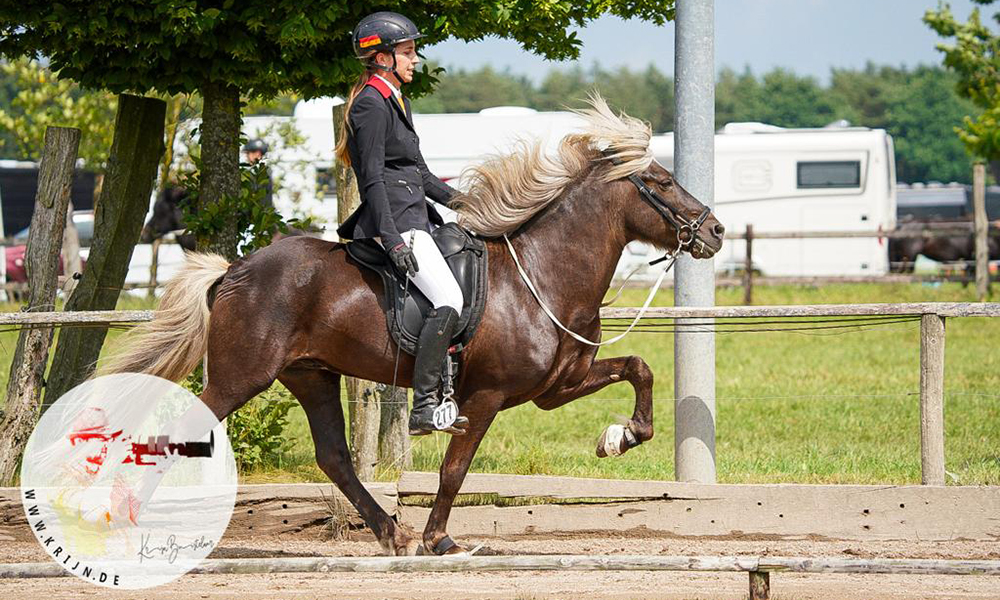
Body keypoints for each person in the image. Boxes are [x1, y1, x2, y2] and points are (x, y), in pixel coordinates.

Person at [335, 11, 468, 436]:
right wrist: (391, 239)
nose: (415, 60)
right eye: (408, 53)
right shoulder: (371, 105)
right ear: (382, 58)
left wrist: (470, 203)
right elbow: (371, 177)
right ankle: (425, 405)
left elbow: (422, 175)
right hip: (398, 223)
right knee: (449, 298)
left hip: (416, 217)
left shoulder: (397, 100)